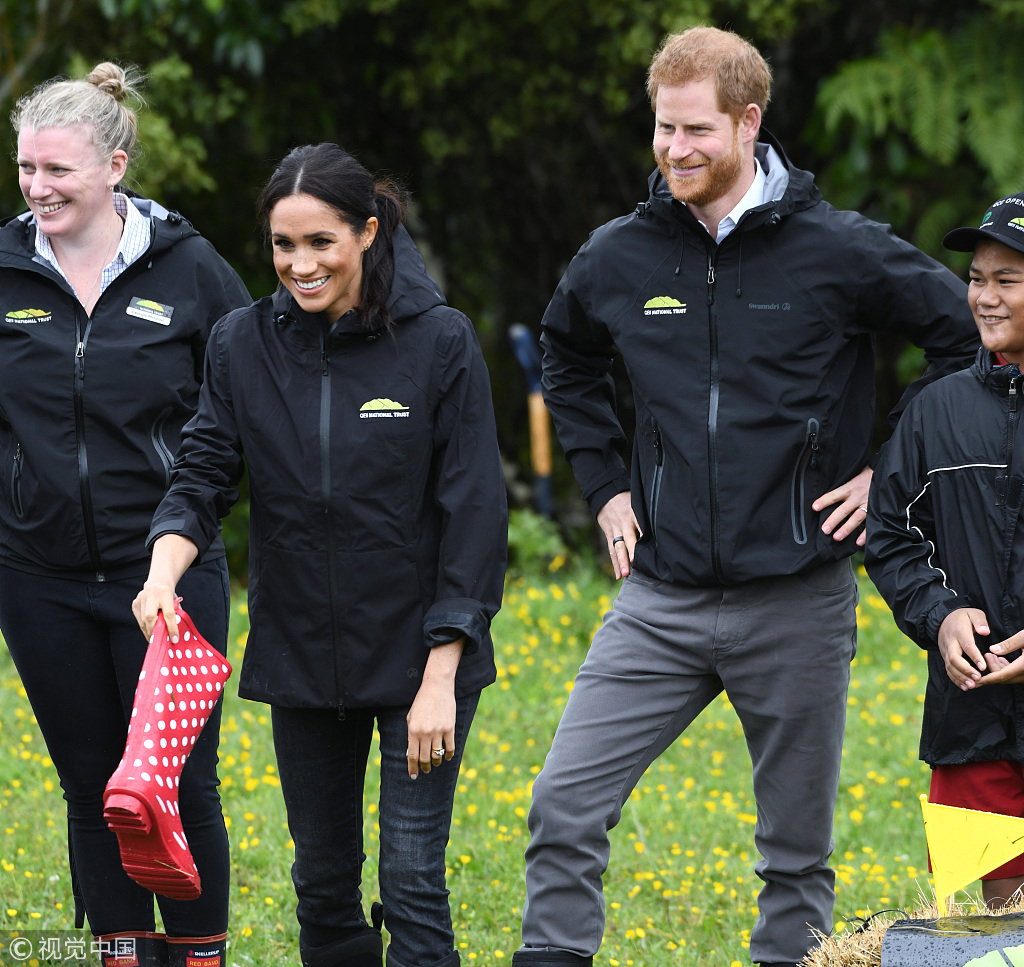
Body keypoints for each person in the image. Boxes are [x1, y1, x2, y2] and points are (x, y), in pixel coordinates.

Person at [512, 26, 980, 967]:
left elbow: (964, 339)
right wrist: (604, 485)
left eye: (695, 131)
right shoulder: (620, 255)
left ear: (749, 121)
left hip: (798, 599)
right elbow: (566, 355)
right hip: (660, 597)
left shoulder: (841, 250)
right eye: (662, 129)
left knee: (795, 860)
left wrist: (886, 471)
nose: (675, 150)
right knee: (562, 807)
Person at [133, 142, 507, 967]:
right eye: (282, 245)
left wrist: (443, 670)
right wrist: (162, 571)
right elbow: (201, 473)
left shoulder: (440, 341)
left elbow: (475, 511)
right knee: (323, 881)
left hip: (420, 658)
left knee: (413, 879)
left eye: (320, 243)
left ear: (368, 232)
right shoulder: (241, 343)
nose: (299, 265)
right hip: (302, 651)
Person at [0, 64, 251, 966]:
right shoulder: (3, 267)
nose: (37, 188)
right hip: (37, 578)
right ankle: (122, 957)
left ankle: (199, 955)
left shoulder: (190, 269)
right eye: (26, 168)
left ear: (115, 165)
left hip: (169, 579)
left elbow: (247, 404)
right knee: (90, 787)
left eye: (57, 170)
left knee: (179, 785)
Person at [866, 193, 1024, 909]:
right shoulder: (935, 408)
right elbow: (889, 533)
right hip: (969, 728)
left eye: (1006, 280)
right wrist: (942, 615)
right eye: (976, 277)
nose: (984, 297)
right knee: (979, 938)